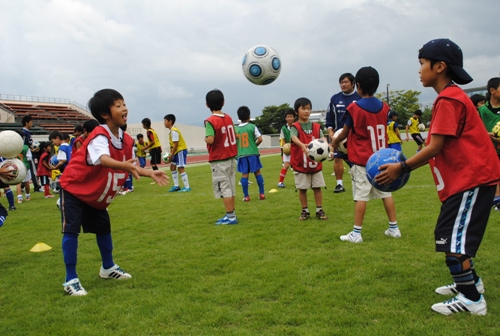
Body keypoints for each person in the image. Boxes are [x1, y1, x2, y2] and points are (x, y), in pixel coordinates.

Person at [376, 39, 500, 315]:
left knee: (451, 239)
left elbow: (434, 147)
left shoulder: (449, 99)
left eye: (422, 64)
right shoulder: (451, 97)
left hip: (472, 178)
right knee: (455, 237)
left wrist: (402, 167)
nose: (419, 70)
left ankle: (472, 301)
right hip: (466, 180)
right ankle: (472, 284)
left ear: (440, 66)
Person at [58, 88, 168, 296]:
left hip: (95, 195)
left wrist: (150, 173)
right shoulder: (100, 134)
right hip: (74, 188)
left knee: (104, 228)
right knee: (71, 230)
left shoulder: (126, 140)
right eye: (118, 105)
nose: (124, 108)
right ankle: (70, 279)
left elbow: (131, 165)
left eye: (124, 103)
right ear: (105, 114)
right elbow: (104, 159)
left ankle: (107, 268)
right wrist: (126, 166)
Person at [332, 66, 400, 243]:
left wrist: (332, 142)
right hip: (381, 159)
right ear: (377, 86)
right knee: (386, 194)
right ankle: (394, 228)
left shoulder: (354, 108)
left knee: (360, 196)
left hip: (363, 161)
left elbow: (345, 133)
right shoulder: (385, 107)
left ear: (358, 86)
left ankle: (356, 233)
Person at [290, 97, 328, 221]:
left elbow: (323, 139)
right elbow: (294, 138)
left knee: (317, 187)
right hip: (301, 164)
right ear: (297, 111)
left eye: (308, 108)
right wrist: (302, 145)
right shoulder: (295, 126)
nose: (307, 111)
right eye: (303, 109)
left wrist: (327, 147)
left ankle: (319, 210)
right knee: (303, 188)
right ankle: (305, 210)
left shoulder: (316, 126)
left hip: (315, 165)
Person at [204, 89, 238, 225]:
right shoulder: (228, 117)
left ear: (207, 105)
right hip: (231, 158)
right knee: (231, 186)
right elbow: (234, 135)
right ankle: (231, 213)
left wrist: (205, 138)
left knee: (224, 188)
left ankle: (231, 217)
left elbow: (210, 140)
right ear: (223, 102)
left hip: (219, 159)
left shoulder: (210, 121)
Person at [326, 73, 361, 193]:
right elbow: (329, 117)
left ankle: (359, 180)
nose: (343, 84)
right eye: (341, 82)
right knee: (337, 158)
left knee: (355, 160)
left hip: (355, 137)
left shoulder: (359, 98)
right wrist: (330, 131)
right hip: (338, 137)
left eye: (346, 82)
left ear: (353, 83)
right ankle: (339, 184)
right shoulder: (334, 99)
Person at [478, 77, 500, 209]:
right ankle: (496, 199)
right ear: (492, 90)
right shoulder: (482, 111)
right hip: (489, 150)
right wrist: (486, 134)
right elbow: (474, 129)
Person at [235, 106, 265, 201]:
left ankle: (246, 196)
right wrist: (255, 145)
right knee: (258, 173)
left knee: (244, 175)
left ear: (239, 118)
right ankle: (261, 194)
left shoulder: (235, 129)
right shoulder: (252, 126)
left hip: (242, 155)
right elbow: (260, 139)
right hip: (253, 154)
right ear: (249, 116)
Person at [164, 114, 191, 192]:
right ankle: (176, 186)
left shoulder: (174, 131)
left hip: (180, 151)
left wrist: (171, 155)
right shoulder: (172, 131)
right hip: (176, 152)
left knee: (180, 168)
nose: (164, 123)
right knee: (172, 167)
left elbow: (176, 144)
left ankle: (187, 187)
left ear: (170, 121)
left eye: (165, 121)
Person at [21, 115, 41, 192]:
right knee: (32, 170)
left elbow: (29, 144)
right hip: (27, 155)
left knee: (28, 171)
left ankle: (22, 186)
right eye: (31, 122)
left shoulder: (27, 132)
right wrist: (31, 150)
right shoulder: (24, 133)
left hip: (29, 153)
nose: (32, 124)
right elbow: (23, 145)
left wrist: (34, 148)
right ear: (26, 123)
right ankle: (36, 187)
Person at [277, 109, 295, 188]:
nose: (289, 118)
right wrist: (285, 147)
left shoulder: (297, 126)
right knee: (286, 165)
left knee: (297, 166)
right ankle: (280, 182)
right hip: (287, 150)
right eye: (288, 117)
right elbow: (282, 139)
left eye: (291, 116)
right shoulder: (283, 128)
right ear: (285, 118)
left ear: (294, 117)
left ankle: (299, 182)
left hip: (296, 149)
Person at [141, 118, 162, 182]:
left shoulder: (149, 132)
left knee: (153, 163)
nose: (142, 125)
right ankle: (158, 176)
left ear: (145, 124)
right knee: (153, 163)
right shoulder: (152, 130)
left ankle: (157, 176)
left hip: (155, 148)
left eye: (142, 124)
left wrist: (145, 148)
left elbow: (152, 142)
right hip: (156, 148)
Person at [15, 131, 32, 204]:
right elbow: (29, 158)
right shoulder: (25, 147)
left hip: (16, 165)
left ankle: (19, 198)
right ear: (23, 137)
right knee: (27, 181)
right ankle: (28, 196)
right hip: (25, 165)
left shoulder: (13, 147)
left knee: (18, 181)